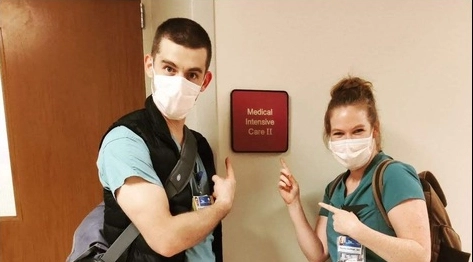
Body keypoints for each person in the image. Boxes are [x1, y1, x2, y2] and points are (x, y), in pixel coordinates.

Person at [97, 17, 236, 262]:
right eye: (169, 69)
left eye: (192, 75)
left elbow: (207, 235)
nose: (179, 83)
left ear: (205, 81)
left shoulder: (199, 146)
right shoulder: (125, 142)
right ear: (150, 65)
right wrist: (222, 206)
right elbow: (165, 239)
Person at [278, 76, 430, 262]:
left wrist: (357, 231)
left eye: (358, 131)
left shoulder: (393, 176)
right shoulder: (335, 188)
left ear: (374, 130)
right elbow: (318, 254)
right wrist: (293, 203)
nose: (348, 141)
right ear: (330, 137)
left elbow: (420, 256)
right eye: (339, 133)